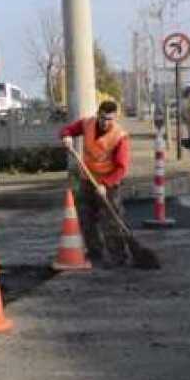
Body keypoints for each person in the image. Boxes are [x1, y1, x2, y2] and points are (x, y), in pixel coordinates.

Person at [59, 100, 131, 268]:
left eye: (109, 119)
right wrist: (67, 136)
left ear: (115, 118)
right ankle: (95, 253)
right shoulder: (87, 124)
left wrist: (105, 184)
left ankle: (118, 256)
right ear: (98, 114)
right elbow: (68, 129)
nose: (105, 122)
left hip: (109, 183)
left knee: (111, 220)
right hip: (88, 180)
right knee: (86, 217)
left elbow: (122, 168)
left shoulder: (120, 137)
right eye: (103, 118)